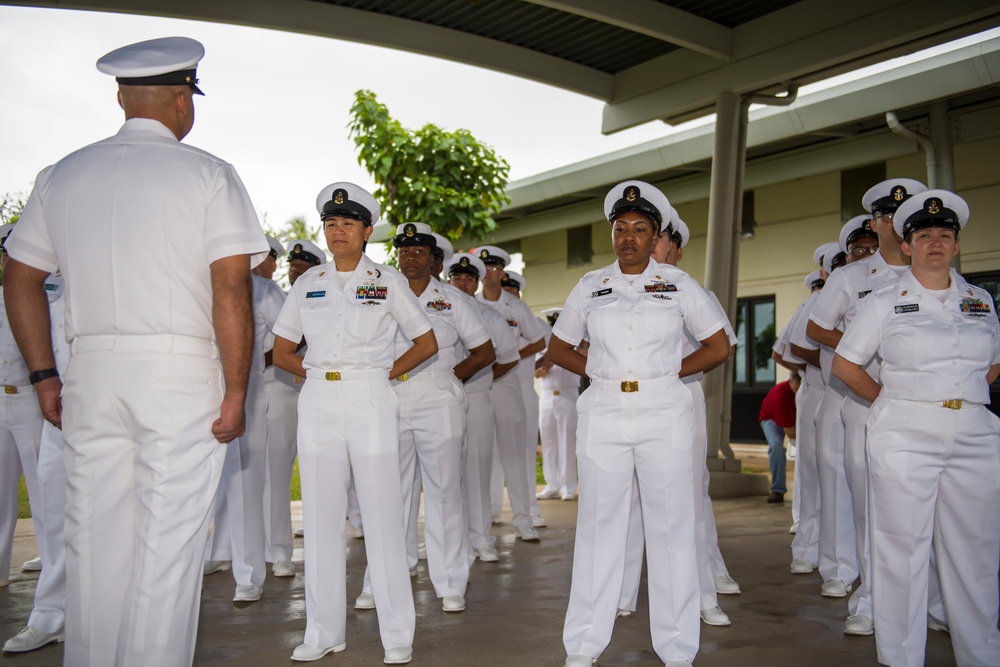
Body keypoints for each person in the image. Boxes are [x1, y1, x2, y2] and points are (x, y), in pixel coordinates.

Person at [2, 37, 268, 666]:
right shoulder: (209, 174)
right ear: (183, 101)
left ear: (122, 98)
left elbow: (18, 277)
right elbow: (230, 285)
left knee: (95, 544)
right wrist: (236, 391)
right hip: (178, 374)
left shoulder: (61, 174)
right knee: (166, 549)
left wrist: (44, 375)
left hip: (88, 373)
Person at [550, 180, 730, 667]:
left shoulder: (680, 285)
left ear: (657, 237)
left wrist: (672, 372)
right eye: (620, 228)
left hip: (663, 411)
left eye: (640, 229)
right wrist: (599, 371)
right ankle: (584, 645)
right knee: (598, 528)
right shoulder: (591, 286)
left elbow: (719, 345)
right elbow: (558, 346)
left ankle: (676, 649)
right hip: (605, 410)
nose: (628, 236)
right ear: (612, 234)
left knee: (671, 529)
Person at [833, 189, 1000, 667]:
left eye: (944, 235)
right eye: (924, 235)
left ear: (957, 245)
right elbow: (846, 364)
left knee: (977, 552)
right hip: (906, 433)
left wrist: (957, 396)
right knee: (901, 551)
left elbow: (992, 363)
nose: (935, 243)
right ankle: (900, 658)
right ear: (906, 246)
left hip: (974, 431)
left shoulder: (980, 300)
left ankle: (982, 655)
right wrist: (893, 400)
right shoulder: (885, 301)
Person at [271, 182, 436, 664]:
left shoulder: (387, 281)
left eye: (347, 223)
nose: (336, 230)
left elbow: (426, 342)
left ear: (366, 231)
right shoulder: (307, 283)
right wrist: (322, 374)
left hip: (371, 397)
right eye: (330, 222)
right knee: (321, 517)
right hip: (319, 397)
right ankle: (323, 632)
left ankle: (398, 634)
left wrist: (383, 374)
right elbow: (283, 350)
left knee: (383, 515)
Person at [353, 222, 494, 614]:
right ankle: (381, 578)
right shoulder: (381, 294)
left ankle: (450, 581)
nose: (410, 257)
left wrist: (451, 378)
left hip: (438, 396)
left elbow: (484, 351)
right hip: (391, 395)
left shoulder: (451, 299)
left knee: (445, 491)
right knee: (388, 493)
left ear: (433, 258)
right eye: (403, 250)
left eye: (418, 251)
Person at [808, 182, 926, 634]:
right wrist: (860, 348)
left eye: (902, 215)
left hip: (924, 406)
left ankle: (929, 602)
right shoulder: (851, 278)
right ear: (875, 225)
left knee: (925, 507)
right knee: (871, 505)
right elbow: (818, 329)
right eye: (884, 217)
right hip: (865, 398)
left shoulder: (936, 277)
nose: (893, 224)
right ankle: (872, 600)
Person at [616, 208, 740, 629]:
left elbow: (721, 345)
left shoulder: (691, 290)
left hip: (680, 397)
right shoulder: (613, 288)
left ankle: (703, 594)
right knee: (626, 496)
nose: (653, 242)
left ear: (673, 248)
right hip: (625, 401)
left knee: (686, 499)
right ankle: (621, 592)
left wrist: (664, 373)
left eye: (662, 237)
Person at [204, 240, 289, 597]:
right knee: (210, 482)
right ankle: (218, 551)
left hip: (249, 385)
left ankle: (249, 574)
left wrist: (257, 365)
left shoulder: (264, 290)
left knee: (248, 482)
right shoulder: (198, 281)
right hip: (205, 385)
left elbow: (293, 336)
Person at [447, 252, 521, 562]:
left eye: (468, 278)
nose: (462, 283)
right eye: (457, 278)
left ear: (477, 283)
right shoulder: (437, 310)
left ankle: (480, 537)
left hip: (475, 397)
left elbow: (508, 356)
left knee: (477, 469)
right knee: (446, 471)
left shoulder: (489, 316)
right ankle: (450, 540)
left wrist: (483, 377)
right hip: (441, 400)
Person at [0, 225, 52, 651]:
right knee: (1, 493)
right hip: (0, 400)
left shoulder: (52, 291)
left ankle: (50, 569)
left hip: (36, 401)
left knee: (45, 493)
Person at [476, 246, 545, 541]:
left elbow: (539, 339)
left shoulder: (515, 308)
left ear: (502, 272)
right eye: (485, 267)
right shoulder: (470, 303)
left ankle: (523, 518)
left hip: (508, 385)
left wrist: (513, 354)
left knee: (515, 453)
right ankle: (483, 519)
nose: (490, 273)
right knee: (480, 455)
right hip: (478, 384)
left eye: (495, 268)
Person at [535, 307, 580, 502]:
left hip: (567, 396)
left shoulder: (577, 344)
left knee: (567, 441)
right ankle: (552, 484)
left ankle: (568, 486)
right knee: (549, 441)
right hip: (546, 397)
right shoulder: (543, 346)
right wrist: (542, 369)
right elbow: (535, 372)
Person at [759, 373, 801, 503]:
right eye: (797, 385)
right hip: (771, 419)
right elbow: (790, 433)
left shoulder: (804, 393)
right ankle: (777, 490)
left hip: (792, 420)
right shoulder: (781, 395)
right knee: (776, 446)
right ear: (791, 381)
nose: (799, 388)